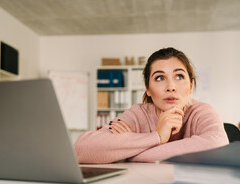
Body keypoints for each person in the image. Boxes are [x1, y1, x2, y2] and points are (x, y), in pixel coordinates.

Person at [74, 47, 229, 164]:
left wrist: (129, 153)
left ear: (190, 85)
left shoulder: (202, 112)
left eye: (179, 76)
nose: (171, 87)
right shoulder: (137, 114)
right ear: (148, 88)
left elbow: (218, 145)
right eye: (160, 78)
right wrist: (157, 137)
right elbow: (81, 149)